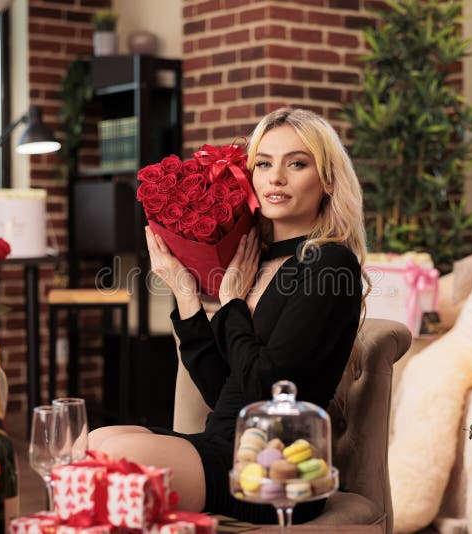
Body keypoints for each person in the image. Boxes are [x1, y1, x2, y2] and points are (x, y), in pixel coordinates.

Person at [88, 108, 369, 523]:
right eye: (263, 163)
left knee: (112, 457)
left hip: (275, 468)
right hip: (226, 442)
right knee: (94, 441)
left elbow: (266, 390)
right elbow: (222, 391)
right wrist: (185, 291)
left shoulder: (328, 265)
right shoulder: (252, 261)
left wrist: (233, 302)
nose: (276, 177)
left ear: (327, 180)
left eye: (297, 163)